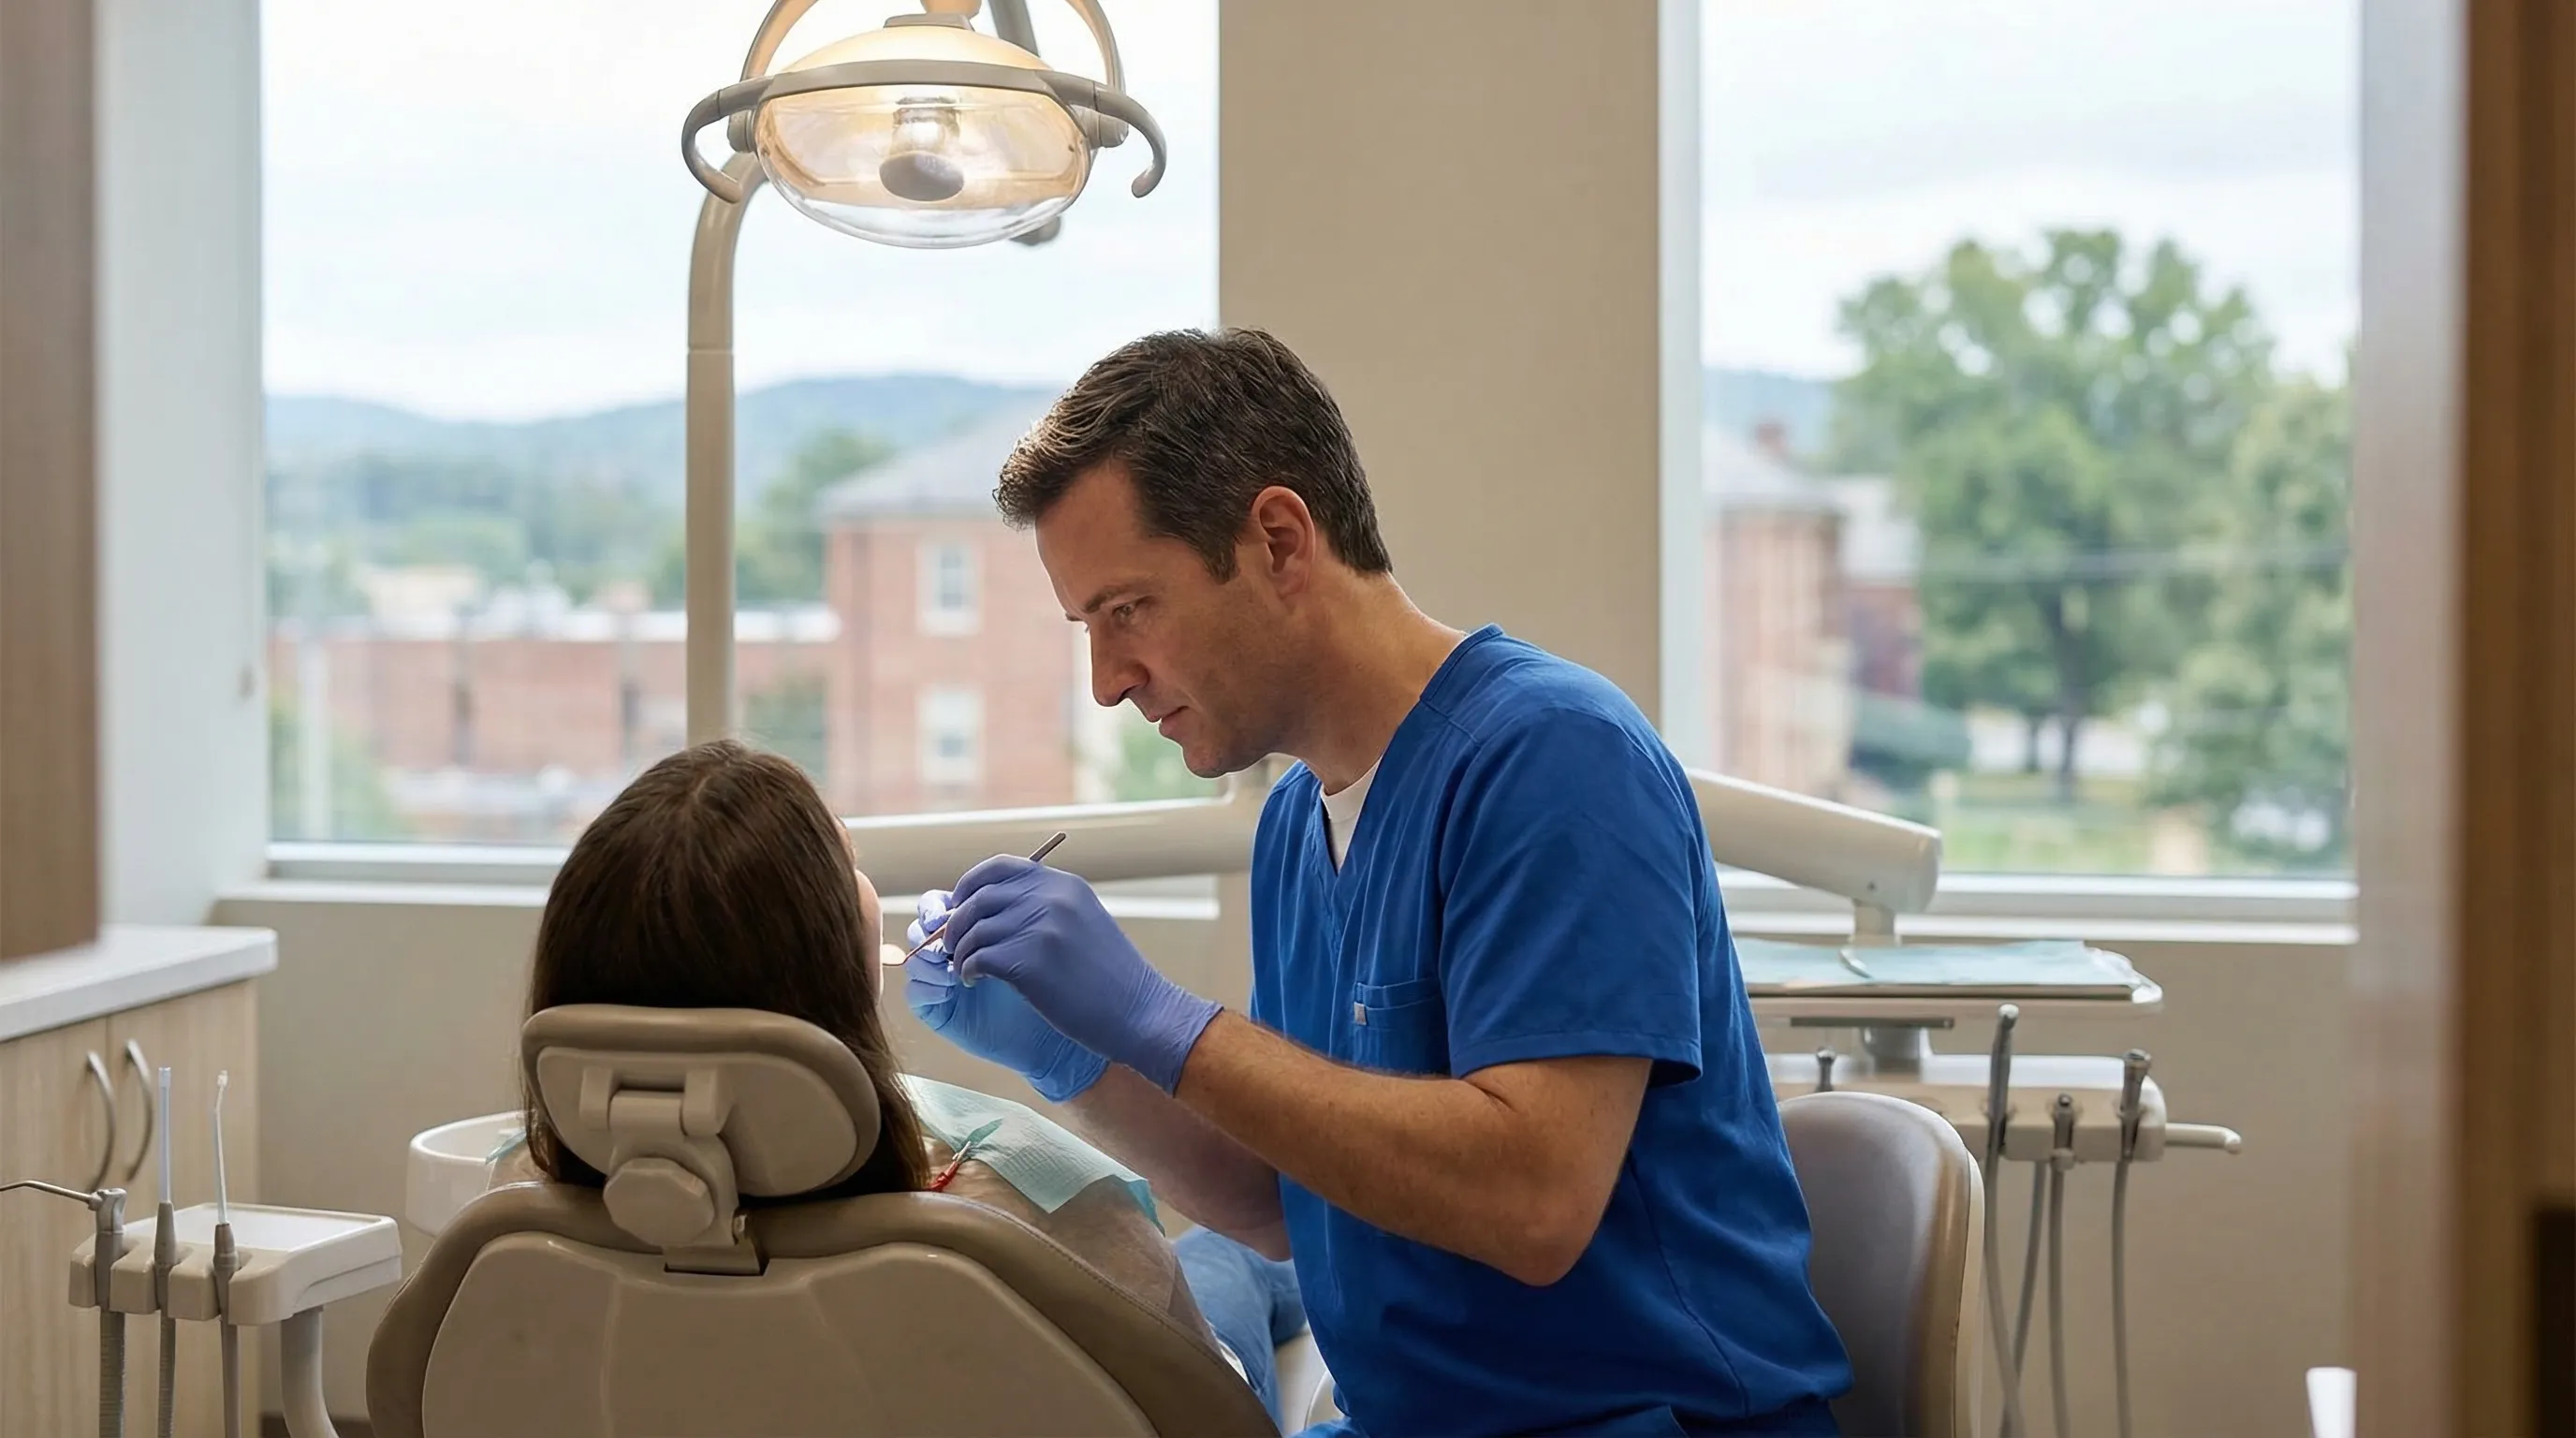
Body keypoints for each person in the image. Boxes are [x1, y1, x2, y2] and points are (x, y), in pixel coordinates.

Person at [902, 328, 1852, 1437]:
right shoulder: (1298, 823)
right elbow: (1279, 1202)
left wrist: (1164, 1020)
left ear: (1277, 540)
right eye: (1087, 629)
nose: (1109, 681)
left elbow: (1534, 1200)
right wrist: (1077, 1055)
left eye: (1128, 612)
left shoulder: (1552, 758)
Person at [512, 740, 1309, 1427]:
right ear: (835, 971)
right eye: (849, 862)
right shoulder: (1040, 1224)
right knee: (1238, 1262)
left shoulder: (522, 1226)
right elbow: (1208, 1412)